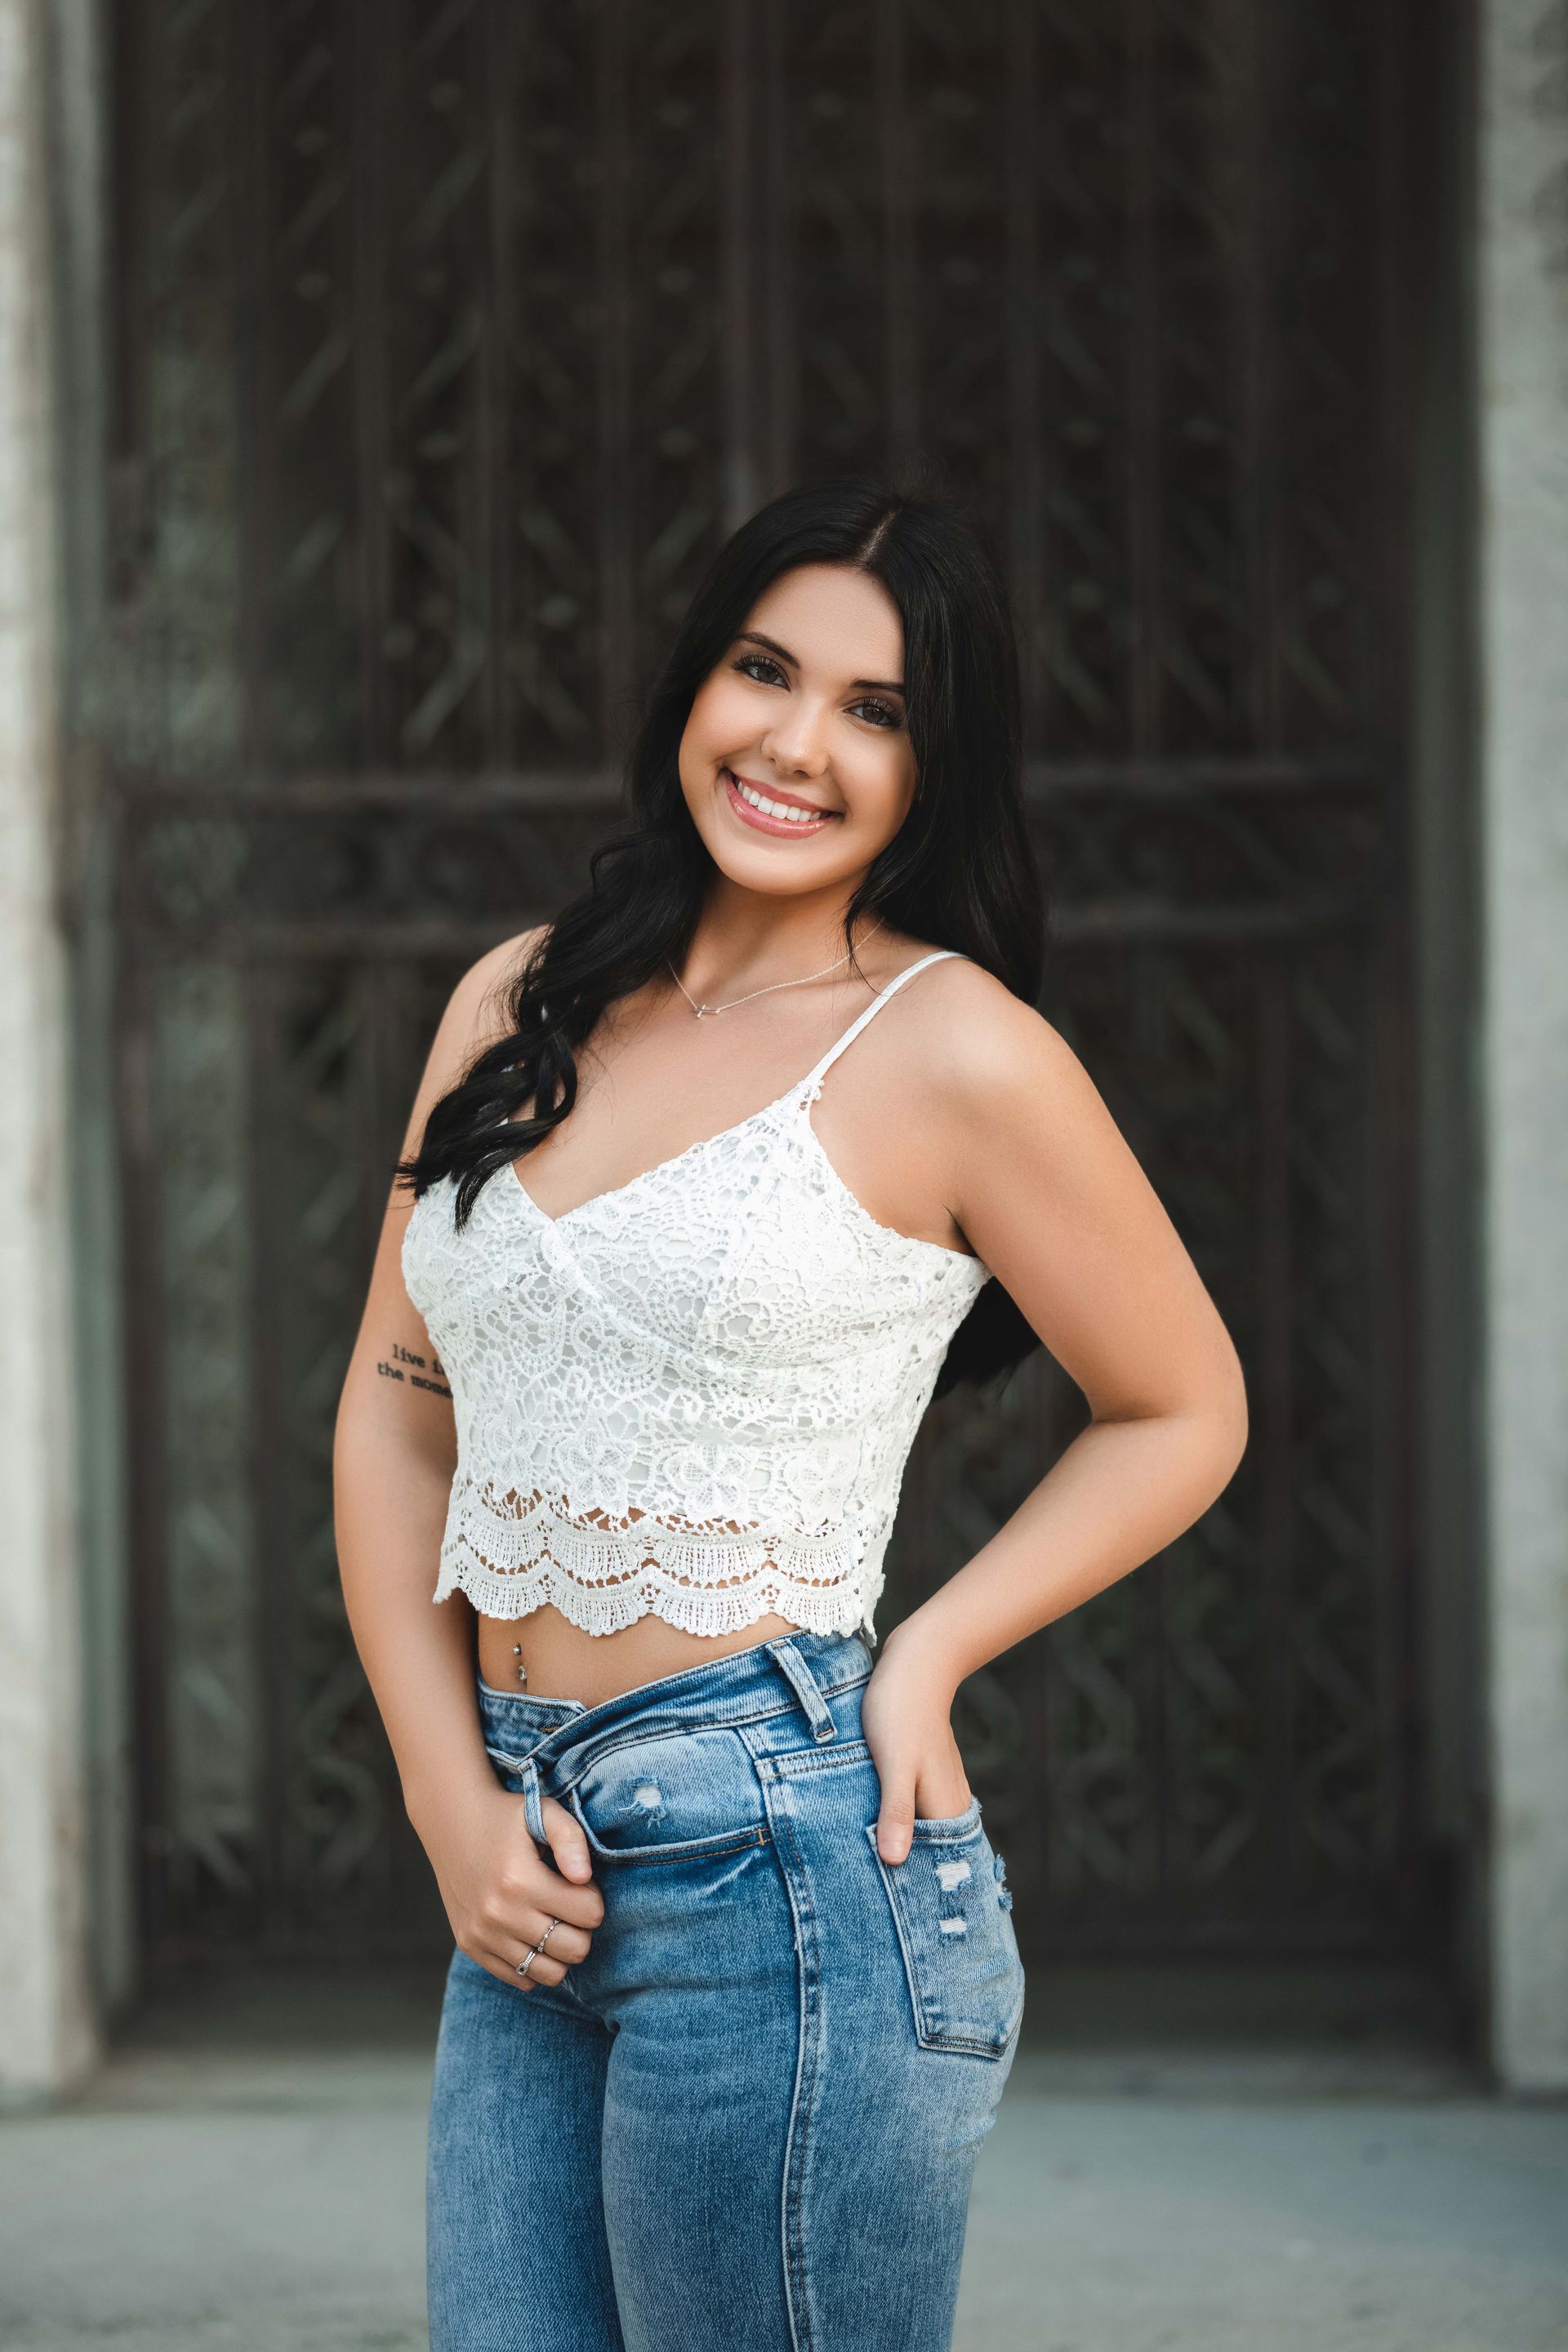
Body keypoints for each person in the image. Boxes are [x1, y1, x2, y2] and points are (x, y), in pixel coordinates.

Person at [333, 478, 1247, 2352]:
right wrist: (446, 1799)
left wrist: (922, 1662)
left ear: (937, 765)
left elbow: (1182, 1406)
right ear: (697, 681)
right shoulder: (517, 1003)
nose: (796, 743)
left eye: (876, 708)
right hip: (521, 1869)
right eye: (766, 669)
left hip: (788, 1867)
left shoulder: (954, 1047)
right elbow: (393, 1414)